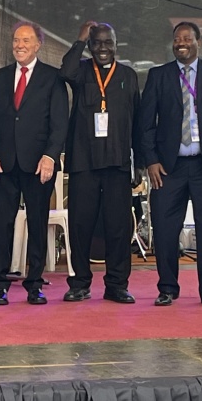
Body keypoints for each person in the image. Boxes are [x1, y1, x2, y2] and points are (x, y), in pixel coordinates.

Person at [141, 22, 202, 307]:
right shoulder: (158, 76)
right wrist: (151, 160)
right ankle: (167, 288)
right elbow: (145, 124)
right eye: (176, 39)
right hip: (168, 169)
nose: (181, 43)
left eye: (187, 38)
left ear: (199, 42)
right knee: (164, 229)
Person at [0, 22, 69, 306]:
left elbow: (59, 125)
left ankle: (34, 284)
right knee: (1, 224)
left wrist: (50, 156)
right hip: (4, 164)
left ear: (38, 44)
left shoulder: (53, 78)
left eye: (26, 40)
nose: (19, 45)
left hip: (38, 164)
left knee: (38, 222)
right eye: (16, 40)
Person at [59, 21, 141, 304]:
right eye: (97, 43)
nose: (103, 48)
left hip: (117, 162)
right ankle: (80, 282)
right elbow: (65, 71)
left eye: (108, 43)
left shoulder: (129, 76)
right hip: (84, 161)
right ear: (90, 46)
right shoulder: (81, 71)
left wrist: (138, 163)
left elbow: (138, 122)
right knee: (81, 225)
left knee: (118, 226)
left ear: (116, 44)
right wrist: (80, 39)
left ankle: (117, 284)